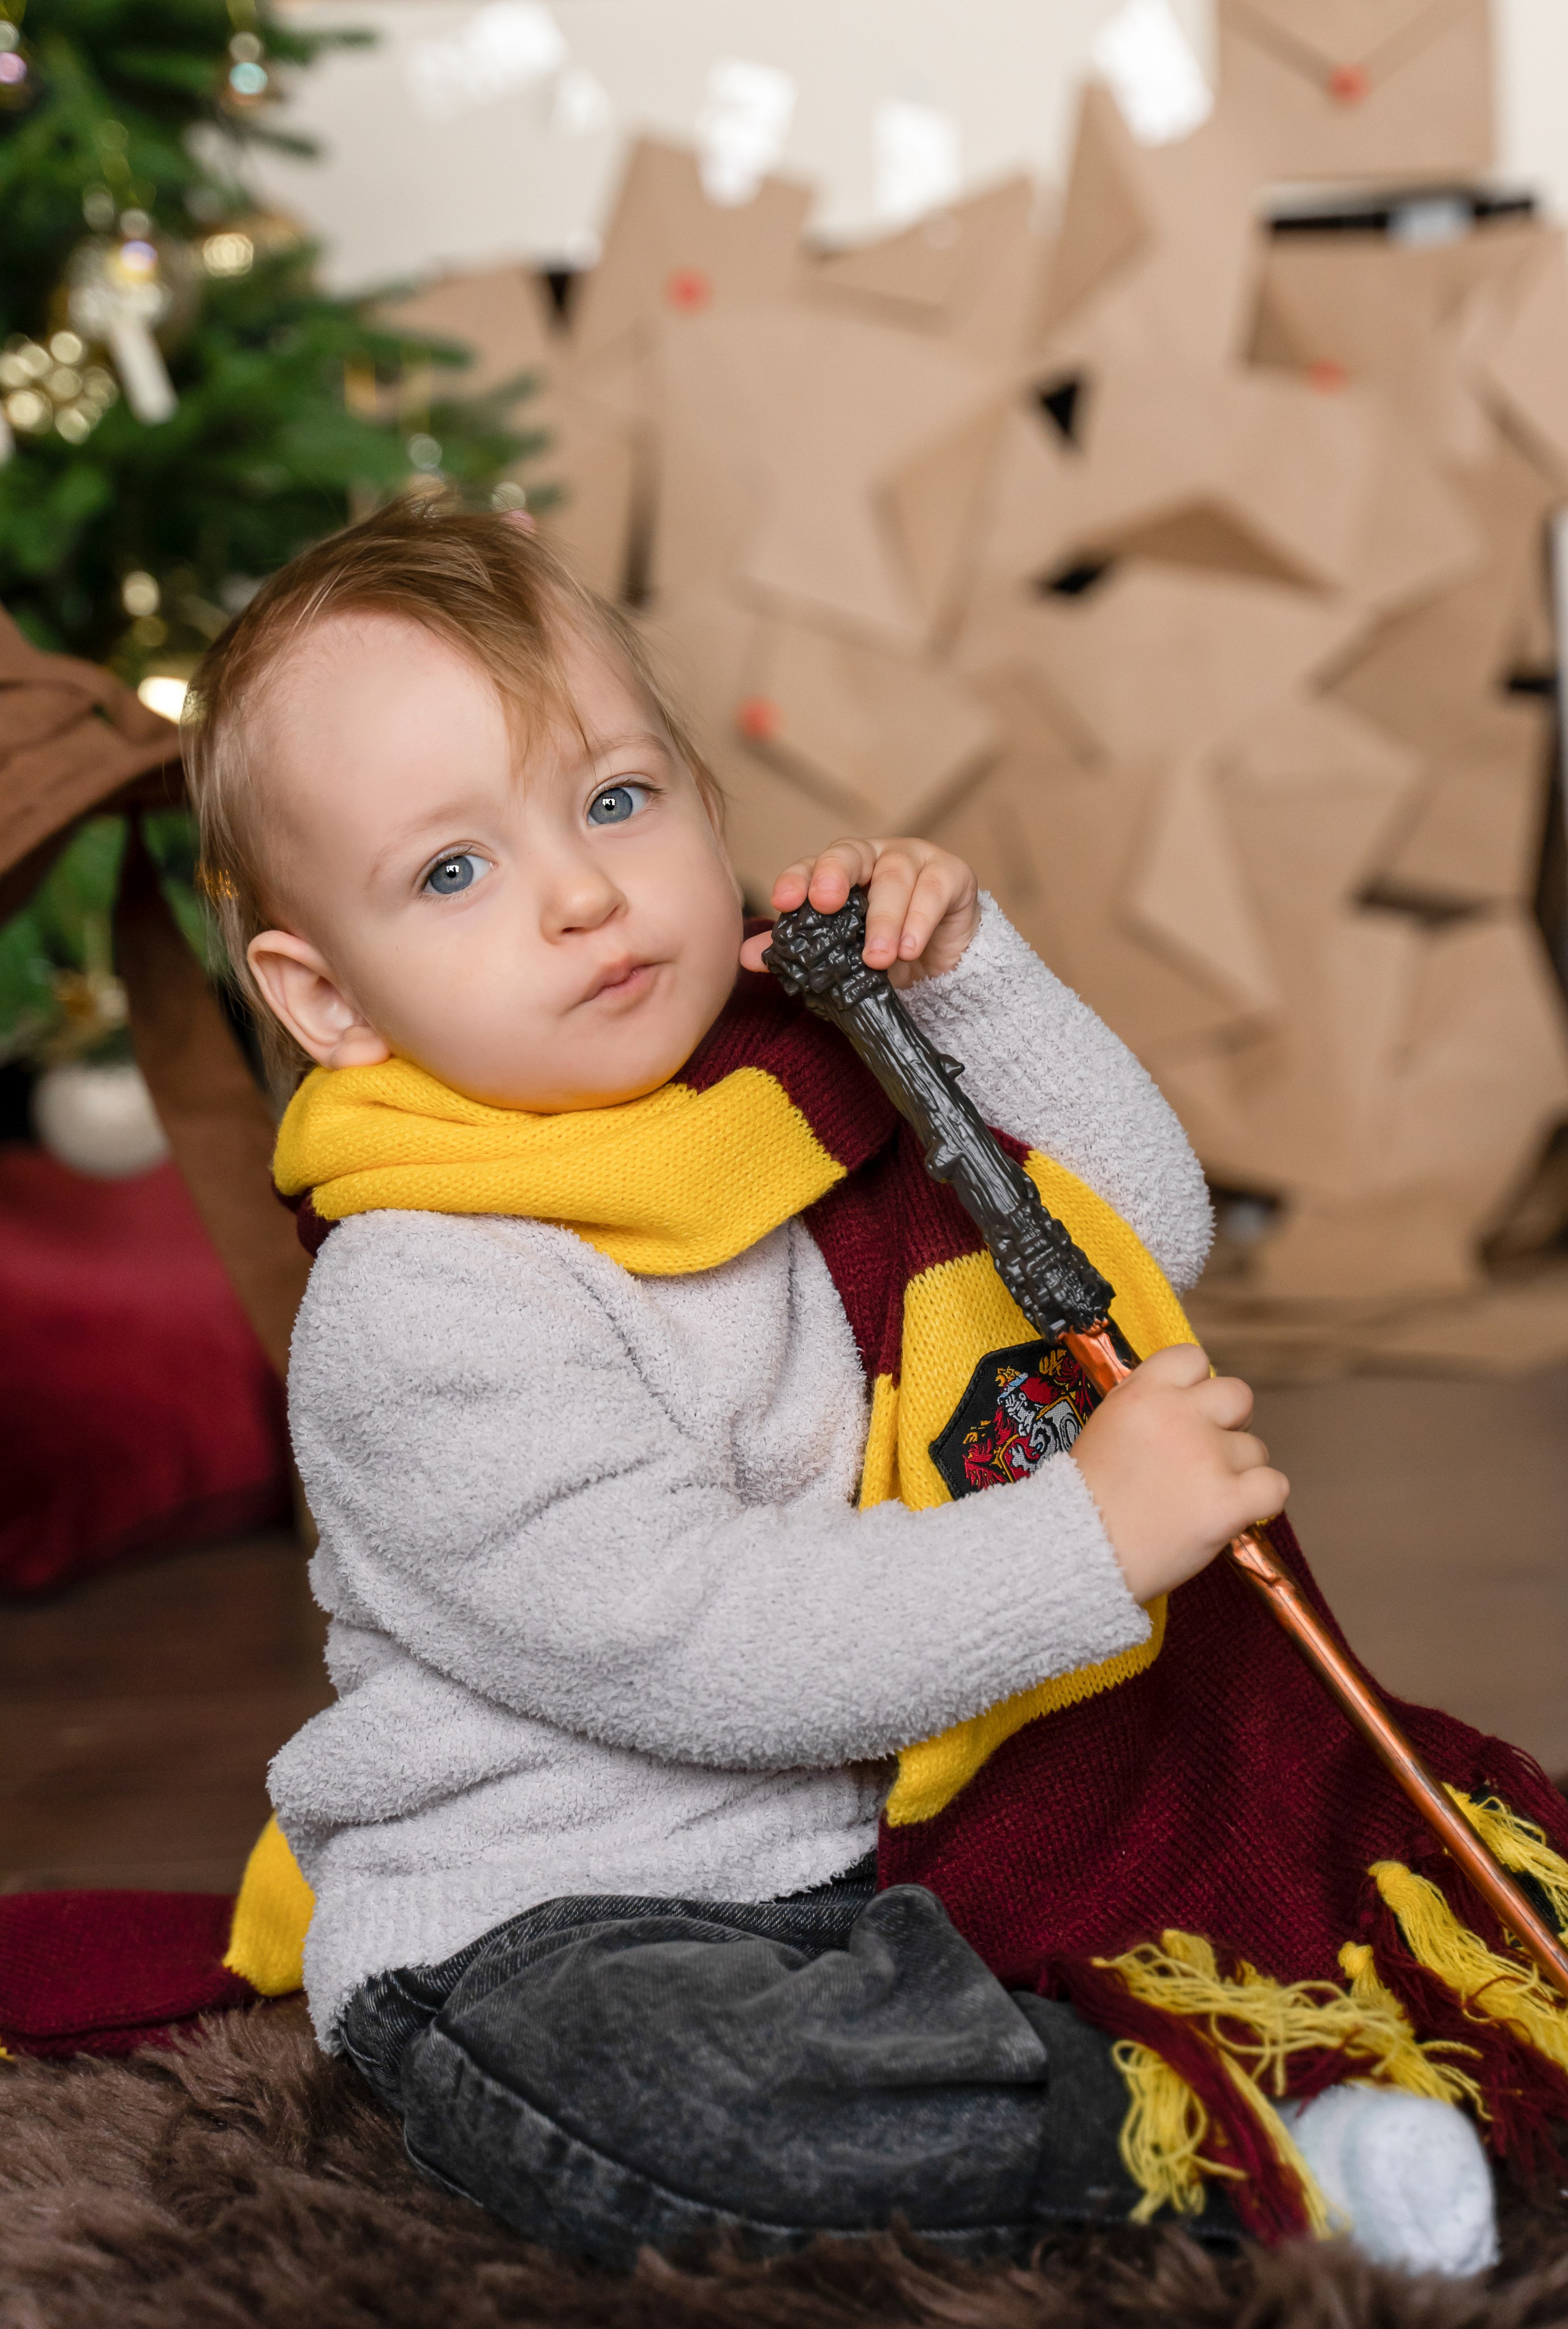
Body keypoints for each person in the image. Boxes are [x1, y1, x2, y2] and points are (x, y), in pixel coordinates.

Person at [184, 497, 1501, 2278]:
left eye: (615, 799)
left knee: (1238, 1812)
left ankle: (1176, 2024)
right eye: (454, 870)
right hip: (564, 1909)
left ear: (706, 805)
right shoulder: (424, 1296)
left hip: (889, 1824)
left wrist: (969, 988)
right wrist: (1082, 1541)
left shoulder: (797, 1088)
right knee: (692, 2092)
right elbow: (701, 1638)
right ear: (325, 996)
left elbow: (1134, 1231)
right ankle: (1215, 2130)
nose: (581, 890)